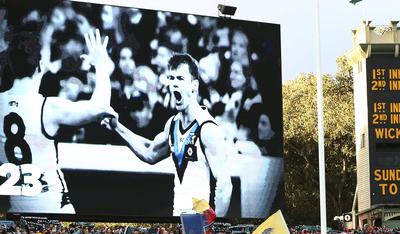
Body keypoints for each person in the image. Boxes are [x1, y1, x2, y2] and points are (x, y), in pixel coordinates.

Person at [0, 28, 116, 213]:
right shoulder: (48, 108)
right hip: (51, 205)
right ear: (39, 66)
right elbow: (101, 106)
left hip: (16, 207)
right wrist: (101, 65)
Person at [105, 53, 233, 216]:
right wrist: (117, 127)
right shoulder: (172, 124)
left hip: (197, 220)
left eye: (180, 78)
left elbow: (225, 185)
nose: (174, 84)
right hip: (177, 217)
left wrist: (215, 229)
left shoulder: (207, 128)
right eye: (171, 78)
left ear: (194, 85)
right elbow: (149, 153)